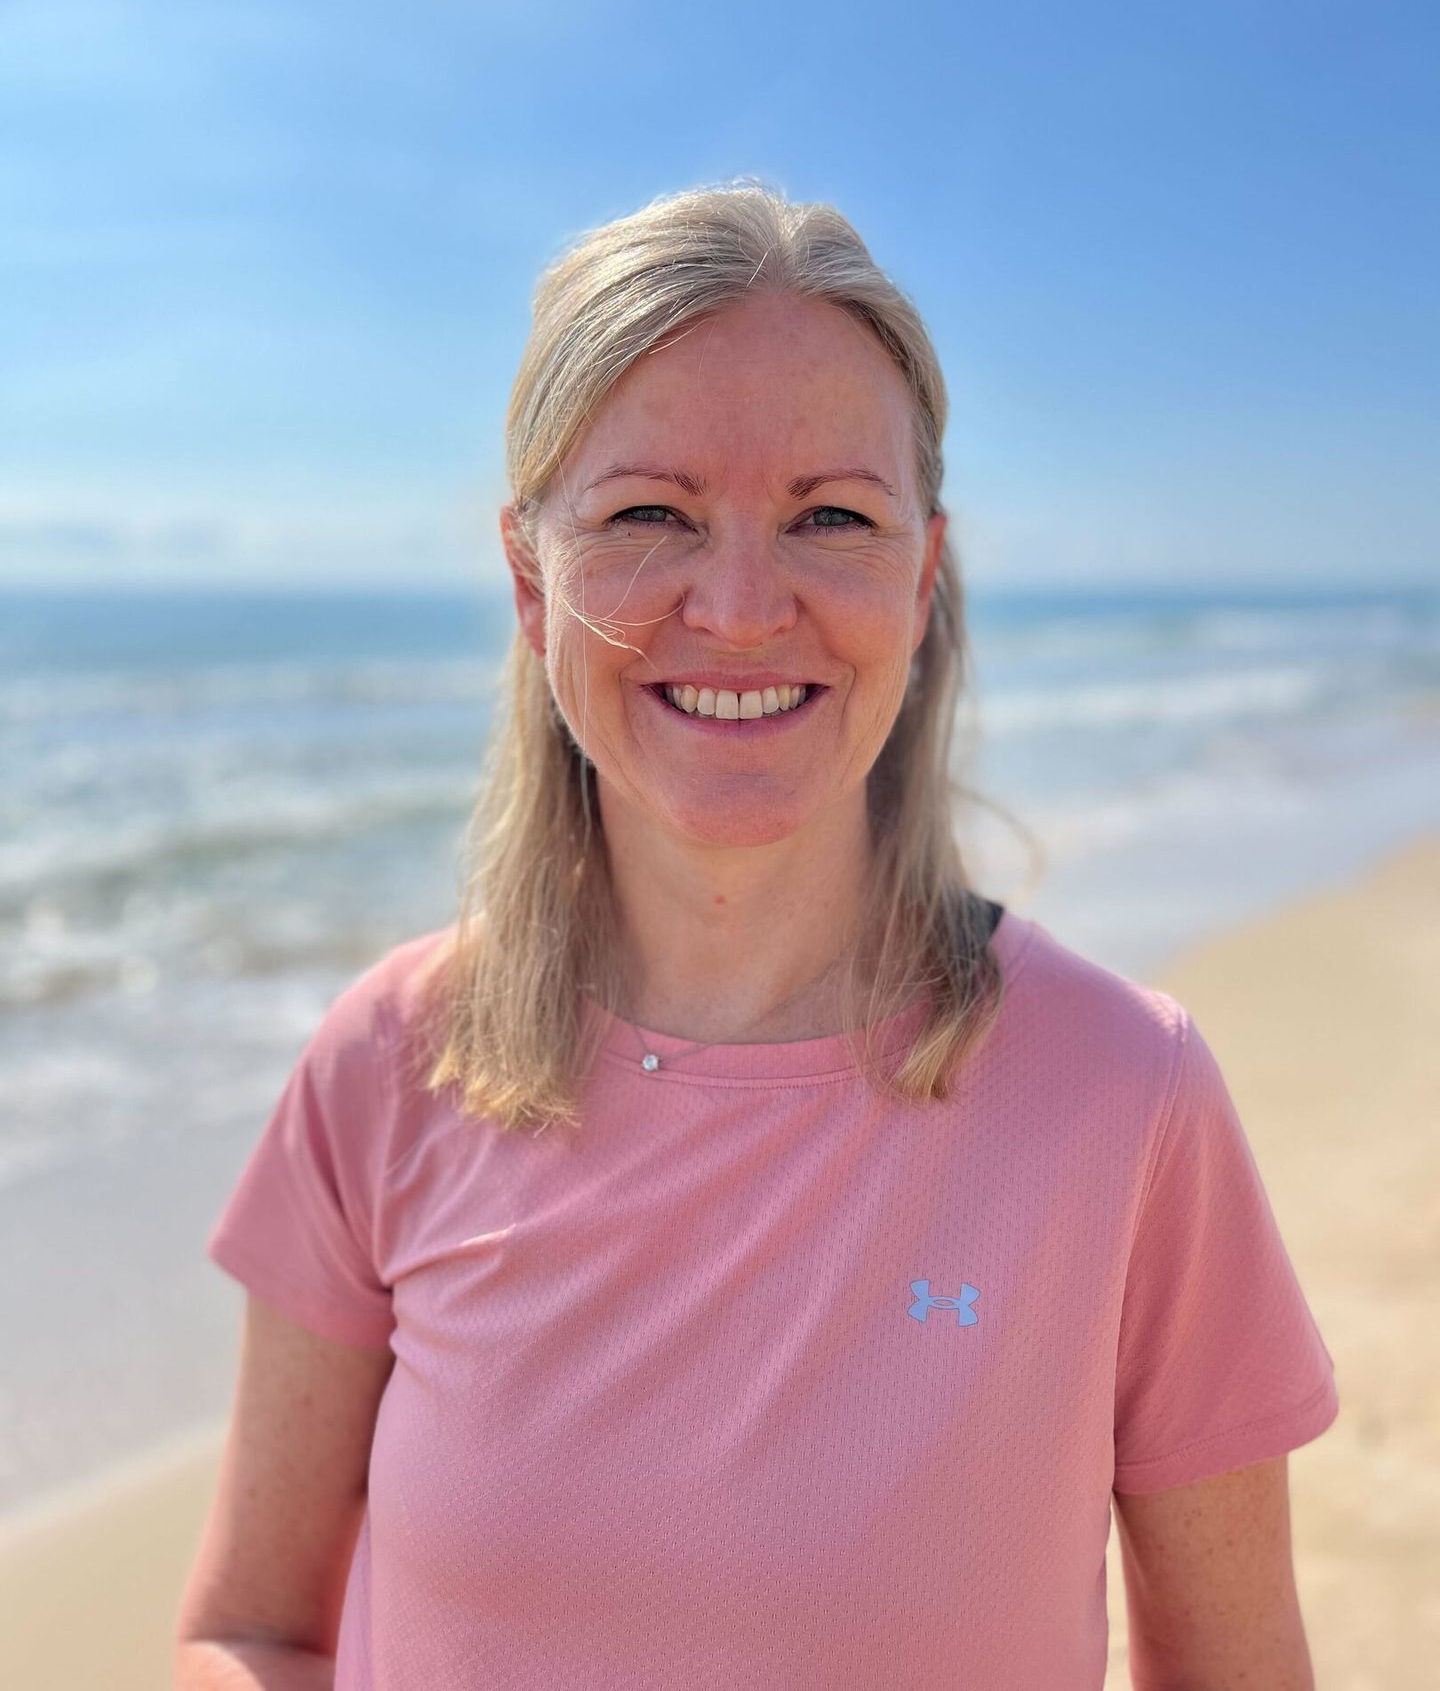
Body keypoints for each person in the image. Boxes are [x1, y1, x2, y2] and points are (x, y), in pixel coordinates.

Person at [175, 181, 1339, 1690]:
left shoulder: (1125, 1096)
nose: (736, 609)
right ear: (535, 583)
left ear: (919, 579)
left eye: (831, 518)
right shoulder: (389, 1066)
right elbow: (250, 1632)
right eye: (649, 514)